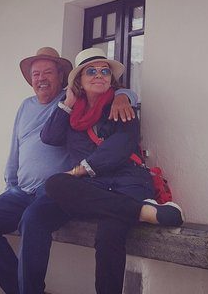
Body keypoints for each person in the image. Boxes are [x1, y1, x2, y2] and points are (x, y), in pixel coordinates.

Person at [0, 47, 137, 294]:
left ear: (62, 77)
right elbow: (15, 148)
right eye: (36, 74)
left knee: (32, 222)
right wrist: (10, 184)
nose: (41, 78)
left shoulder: (71, 101)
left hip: (55, 192)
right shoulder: (25, 106)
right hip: (20, 191)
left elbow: (109, 90)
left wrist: (124, 96)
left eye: (48, 72)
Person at [41, 47, 184, 294]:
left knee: (108, 237)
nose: (99, 75)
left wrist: (78, 171)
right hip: (99, 190)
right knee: (54, 183)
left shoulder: (121, 105)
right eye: (91, 72)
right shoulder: (74, 115)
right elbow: (49, 136)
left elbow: (120, 147)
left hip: (127, 182)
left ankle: (139, 208)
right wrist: (67, 103)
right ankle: (147, 212)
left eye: (104, 71)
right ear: (79, 81)